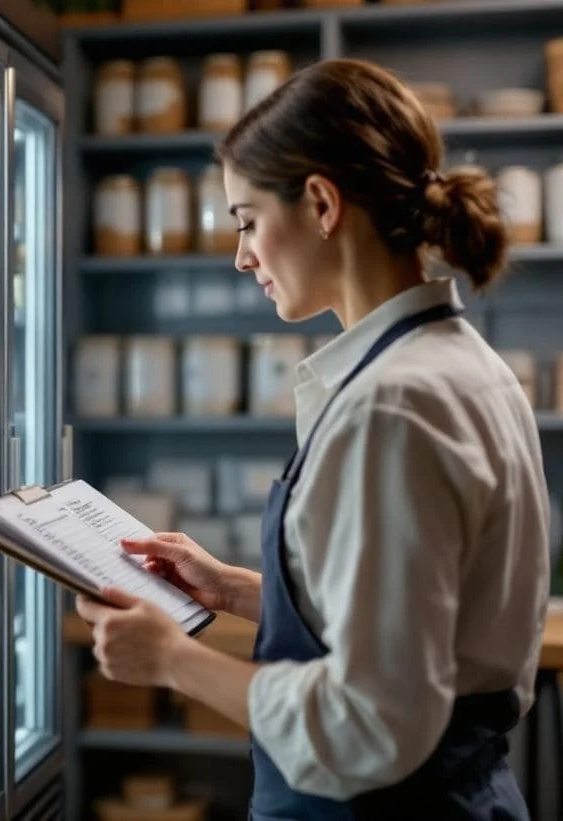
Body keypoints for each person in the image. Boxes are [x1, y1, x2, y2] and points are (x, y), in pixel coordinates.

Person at [75, 59, 551, 820]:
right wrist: (233, 589)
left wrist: (172, 659)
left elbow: (369, 720)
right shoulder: (462, 366)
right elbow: (413, 622)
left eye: (247, 219)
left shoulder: (392, 407)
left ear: (322, 203)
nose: (242, 255)